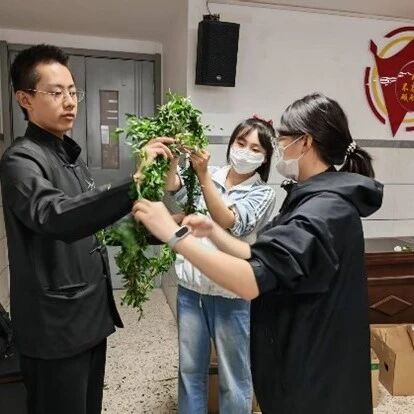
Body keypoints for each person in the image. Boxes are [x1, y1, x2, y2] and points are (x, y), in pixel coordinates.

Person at [133, 93, 384, 414]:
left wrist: (173, 234)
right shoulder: (314, 198)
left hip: (313, 375)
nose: (279, 146)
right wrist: (212, 233)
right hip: (305, 356)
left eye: (282, 138)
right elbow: (263, 255)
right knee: (191, 370)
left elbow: (251, 279)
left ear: (305, 142)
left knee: (234, 378)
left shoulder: (322, 211)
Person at [0, 44, 172, 414]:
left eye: (72, 92)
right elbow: (56, 216)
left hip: (89, 319)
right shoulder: (20, 160)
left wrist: (161, 228)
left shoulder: (72, 159)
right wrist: (133, 183)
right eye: (55, 92)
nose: (69, 102)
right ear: (24, 99)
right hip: (55, 329)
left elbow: (95, 223)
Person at [164, 117, 276, 413]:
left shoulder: (263, 193)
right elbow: (174, 188)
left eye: (255, 149)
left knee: (233, 376)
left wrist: (202, 176)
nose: (245, 151)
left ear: (265, 158)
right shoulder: (211, 173)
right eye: (241, 142)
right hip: (191, 291)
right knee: (190, 370)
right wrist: (174, 159)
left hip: (231, 295)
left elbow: (230, 222)